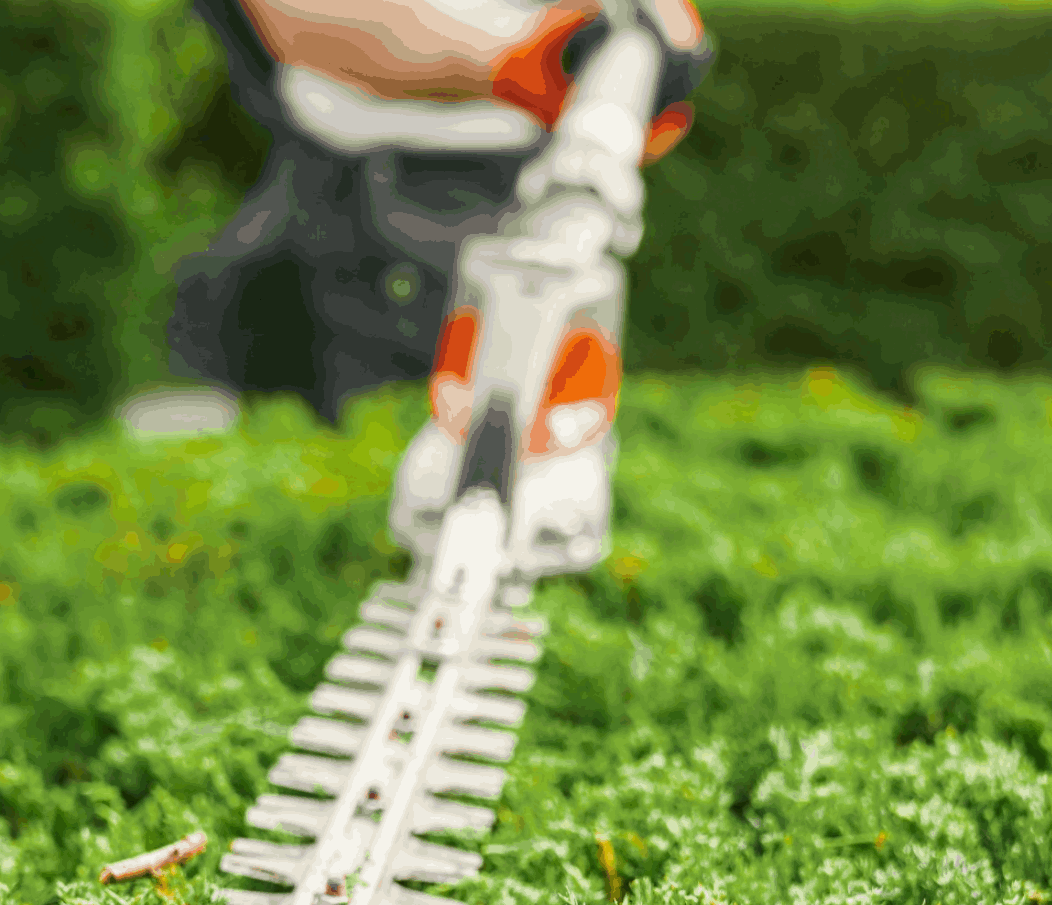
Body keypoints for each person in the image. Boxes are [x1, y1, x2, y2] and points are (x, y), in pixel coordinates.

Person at [156, 0, 712, 571]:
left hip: (512, 169)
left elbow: (659, 29)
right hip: (350, 178)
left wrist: (631, 53)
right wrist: (543, 55)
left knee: (523, 435)